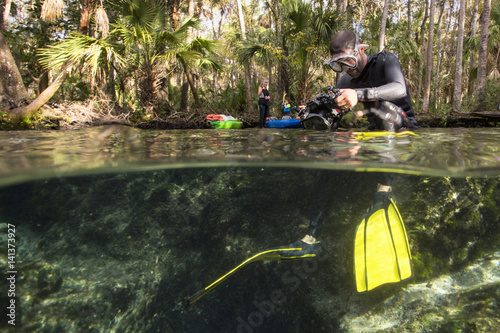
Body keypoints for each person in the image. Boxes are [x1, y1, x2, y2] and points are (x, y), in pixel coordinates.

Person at [323, 30, 418, 132]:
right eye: (340, 64)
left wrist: (358, 94)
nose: (347, 68)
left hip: (403, 126)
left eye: (349, 60)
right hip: (374, 131)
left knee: (385, 109)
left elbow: (400, 89)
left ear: (361, 49)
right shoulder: (345, 82)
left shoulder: (385, 60)